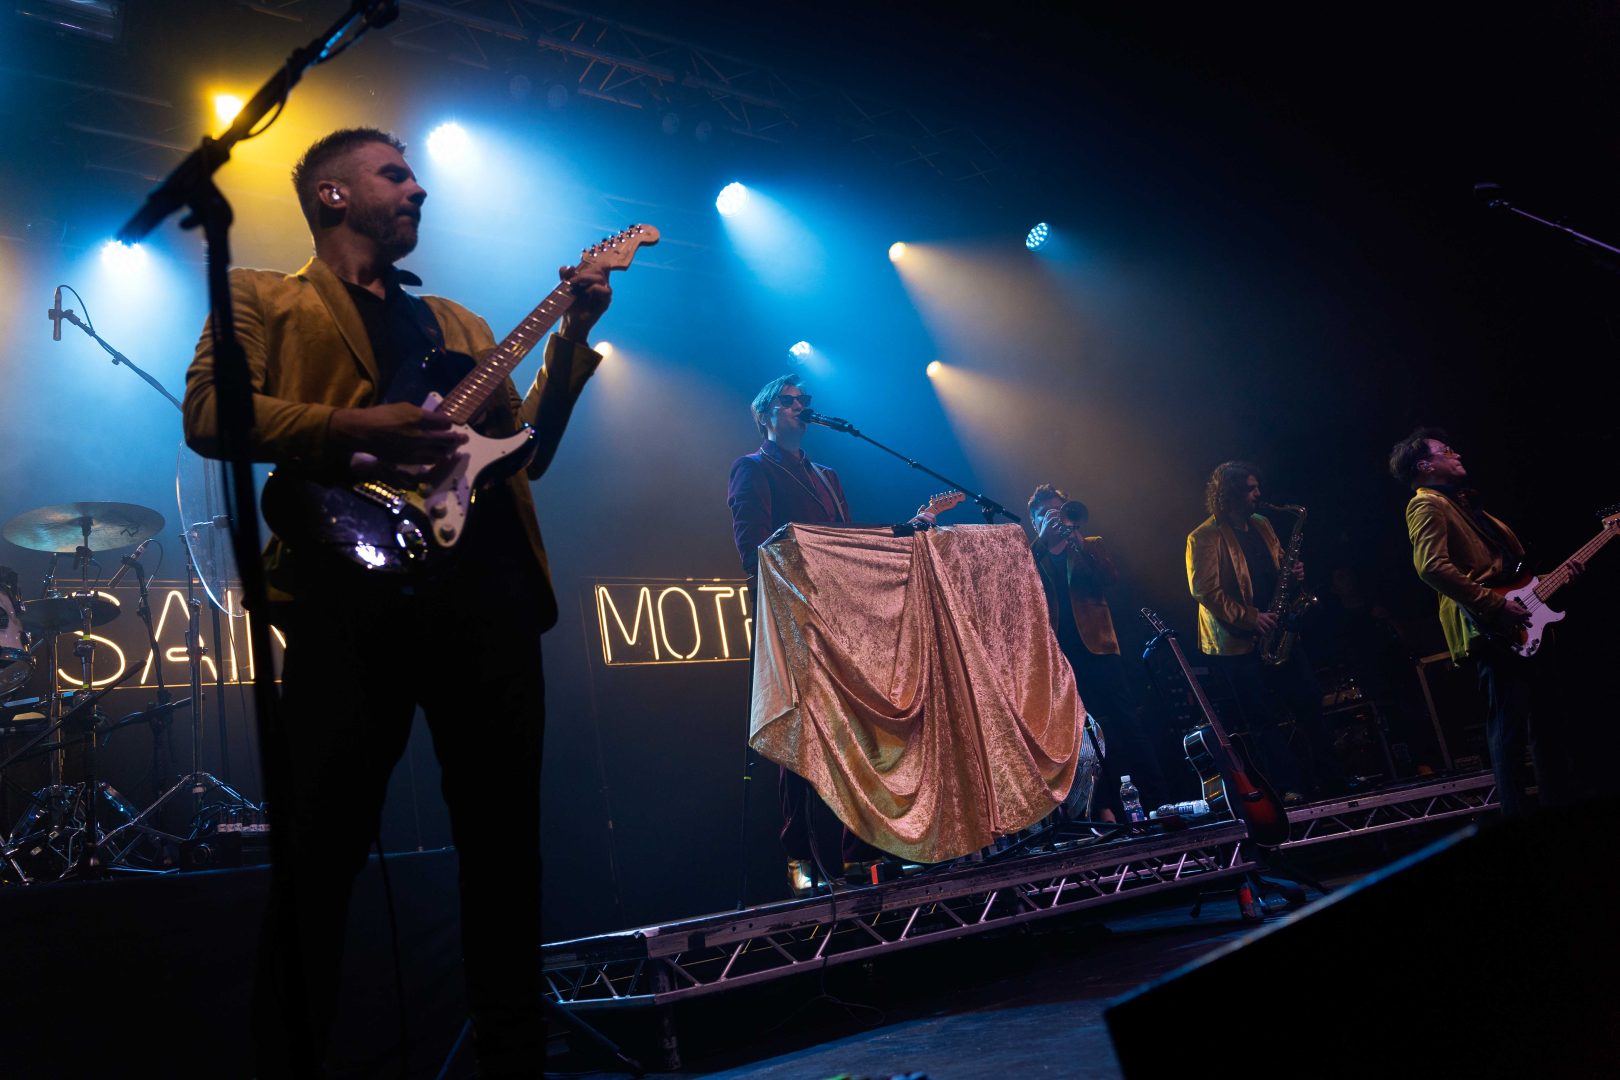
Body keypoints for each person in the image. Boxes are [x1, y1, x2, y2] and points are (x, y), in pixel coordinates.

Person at [182, 127, 612, 1075]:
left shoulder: (458, 322)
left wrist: (574, 337)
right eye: (395, 174)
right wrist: (348, 425)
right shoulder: (262, 296)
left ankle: (514, 1059)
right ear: (333, 195)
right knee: (321, 854)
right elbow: (212, 414)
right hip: (349, 595)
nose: (418, 190)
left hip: (488, 597)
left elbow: (527, 450)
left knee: (506, 853)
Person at [1388, 428, 1580, 815]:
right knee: (1509, 729)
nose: (1456, 454)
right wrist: (1492, 605)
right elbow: (1431, 567)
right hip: (1489, 626)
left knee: (1546, 726)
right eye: (1446, 450)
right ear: (1425, 465)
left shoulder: (1464, 505)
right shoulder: (1425, 504)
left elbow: (1507, 571)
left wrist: (1554, 579)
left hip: (1516, 622)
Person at [1186, 461, 1343, 802]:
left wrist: (1294, 570)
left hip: (1279, 630)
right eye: (1250, 489)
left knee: (1309, 700)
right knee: (1262, 719)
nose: (1258, 494)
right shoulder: (1203, 536)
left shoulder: (1262, 523)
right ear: (1229, 495)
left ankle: (1333, 778)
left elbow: (1278, 564)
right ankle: (1288, 788)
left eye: (1257, 487)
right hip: (1237, 641)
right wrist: (1250, 618)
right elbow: (1205, 591)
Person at [1027, 486, 1165, 818]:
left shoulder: (1090, 545)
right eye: (1046, 513)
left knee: (1127, 724)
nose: (1055, 516)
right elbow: (1018, 583)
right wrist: (1043, 542)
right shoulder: (1030, 554)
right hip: (1060, 658)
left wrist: (1078, 541)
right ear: (1034, 521)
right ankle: (1101, 808)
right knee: (1083, 737)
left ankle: (1158, 800)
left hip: (1100, 650)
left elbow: (1109, 577)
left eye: (1060, 509)